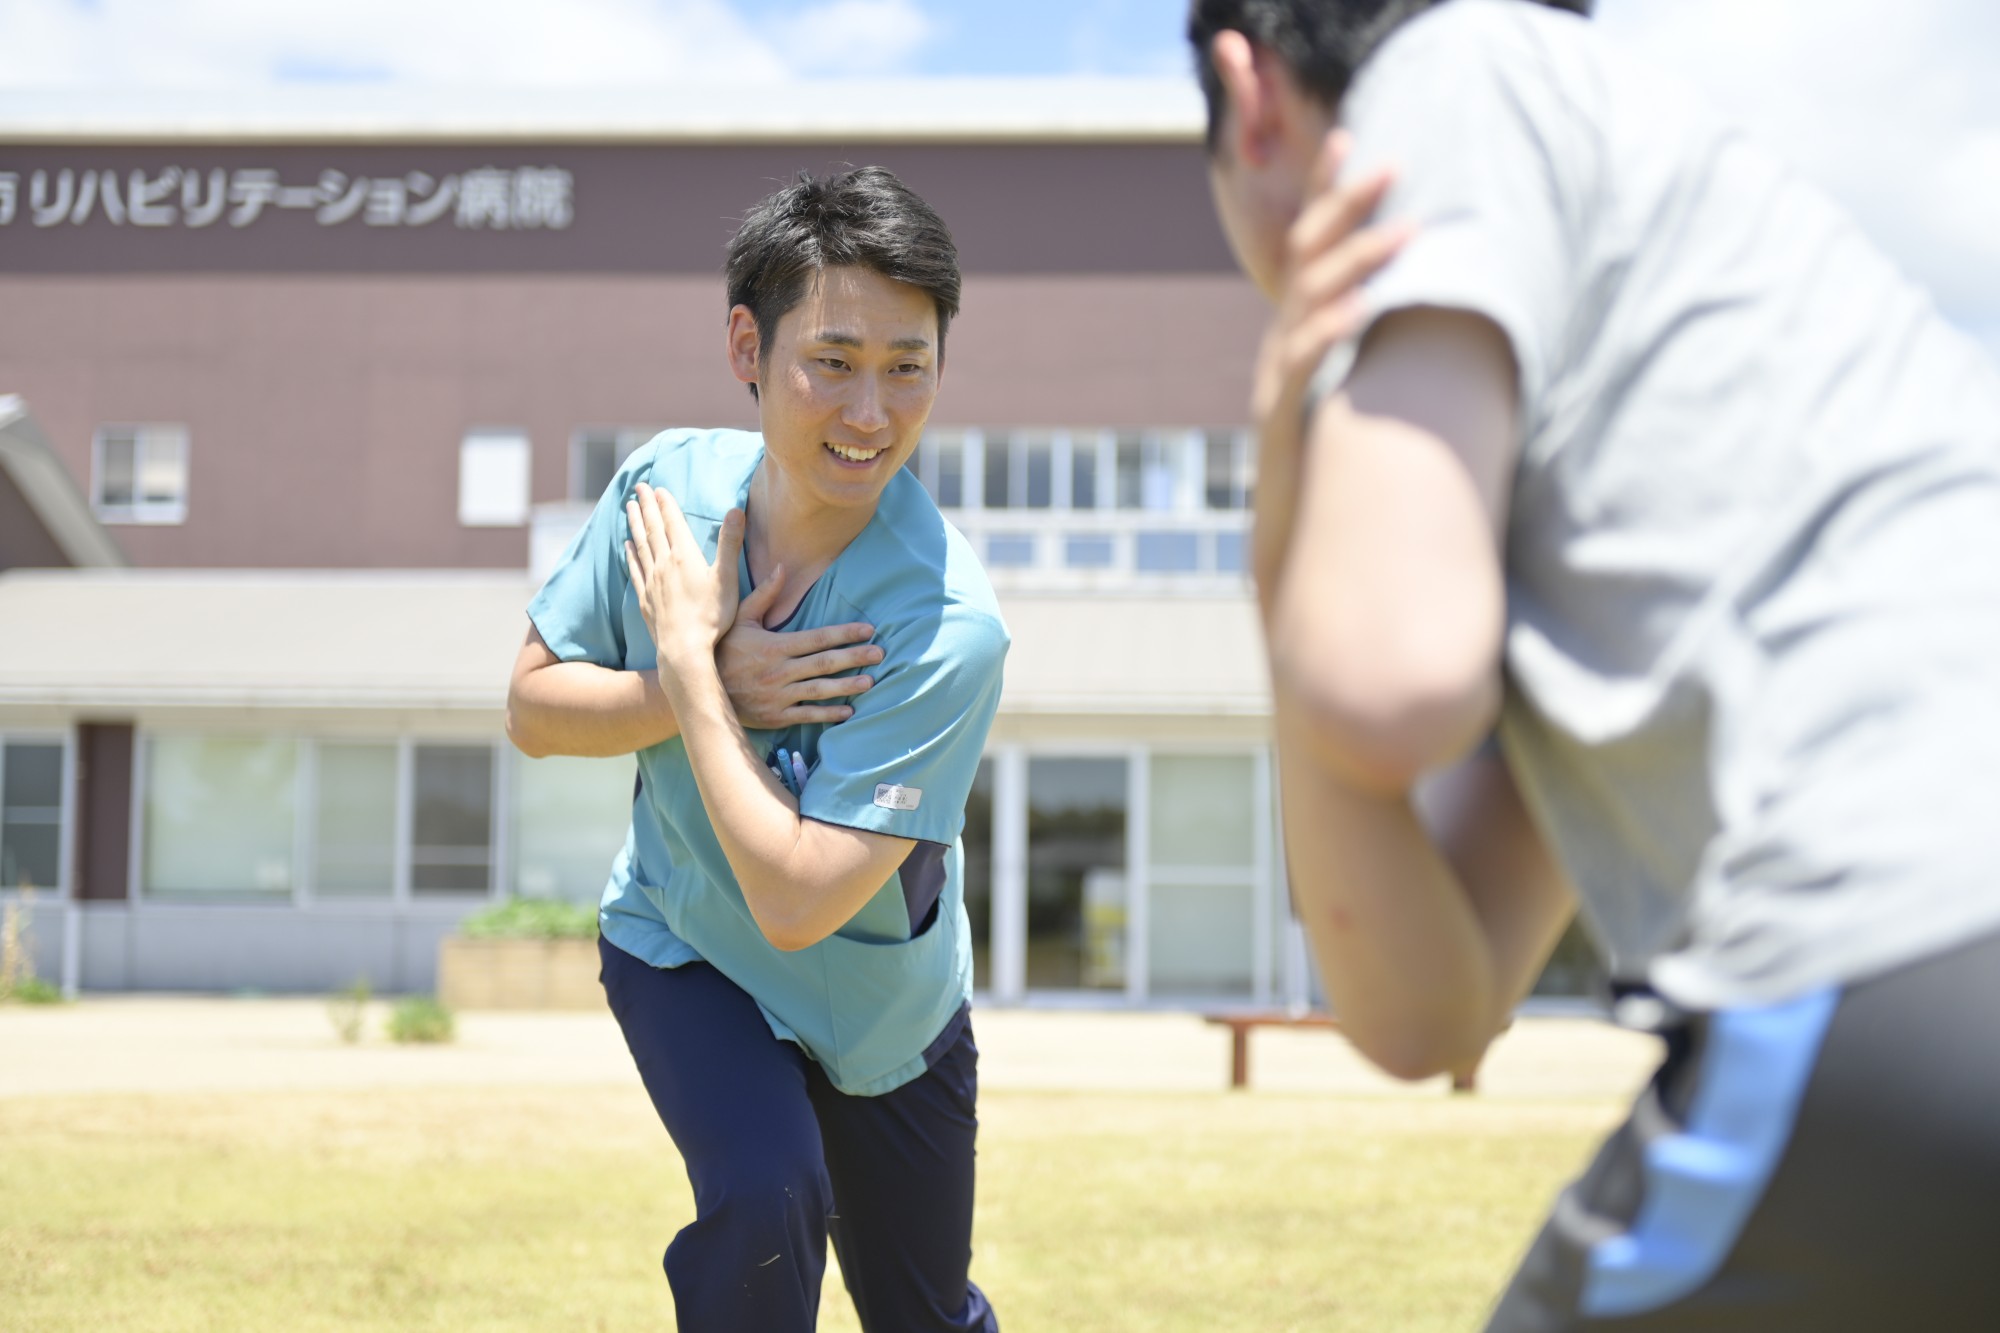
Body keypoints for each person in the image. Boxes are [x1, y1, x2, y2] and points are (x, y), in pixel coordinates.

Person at [1189, 0, 2000, 1328]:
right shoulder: (1665, 353)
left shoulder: (1453, 66)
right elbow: (1426, 1006)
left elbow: (1387, 685)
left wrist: (1308, 477)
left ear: (1253, 93)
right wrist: (1284, 558)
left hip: (1905, 947)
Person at [505, 165, 1006, 1333]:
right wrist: (701, 680)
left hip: (880, 1019)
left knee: (920, 1316)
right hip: (684, 946)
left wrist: (690, 677)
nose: (869, 411)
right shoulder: (661, 497)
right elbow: (532, 707)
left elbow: (794, 900)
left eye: (905, 367)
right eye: (830, 361)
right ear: (747, 344)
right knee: (764, 1198)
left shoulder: (943, 625)